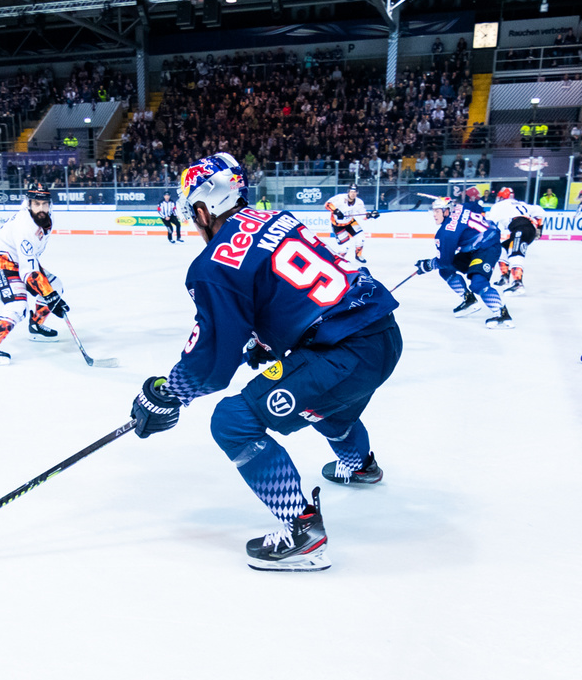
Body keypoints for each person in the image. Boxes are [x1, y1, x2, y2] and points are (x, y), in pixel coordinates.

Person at [128, 153, 402, 572]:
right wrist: (264, 343)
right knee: (325, 405)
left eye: (192, 214)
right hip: (383, 336)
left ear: (202, 210)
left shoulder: (214, 264)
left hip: (344, 355)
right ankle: (359, 465)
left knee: (233, 420)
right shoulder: (278, 219)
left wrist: (171, 393)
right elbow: (289, 296)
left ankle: (302, 531)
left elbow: (211, 358)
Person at [0, 182, 69, 365]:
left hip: (20, 259)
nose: (41, 208)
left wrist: (51, 294)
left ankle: (36, 326)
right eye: (36, 204)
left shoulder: (47, 218)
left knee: (54, 285)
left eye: (44, 204)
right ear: (28, 204)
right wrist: (50, 297)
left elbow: (30, 262)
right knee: (17, 305)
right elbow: (29, 271)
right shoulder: (24, 225)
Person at [414, 197, 513, 328]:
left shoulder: (446, 233)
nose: (434, 215)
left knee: (478, 283)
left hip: (487, 247)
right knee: (446, 271)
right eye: (434, 211)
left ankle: (502, 313)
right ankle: (469, 299)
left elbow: (444, 261)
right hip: (478, 245)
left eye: (437, 211)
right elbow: (476, 206)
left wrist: (427, 265)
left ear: (446, 211)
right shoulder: (461, 207)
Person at [488, 187, 545, 295]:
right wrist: (539, 228)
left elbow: (490, 223)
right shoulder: (520, 203)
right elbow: (540, 211)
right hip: (527, 228)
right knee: (502, 248)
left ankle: (518, 283)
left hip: (520, 228)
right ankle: (505, 277)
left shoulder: (498, 206)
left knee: (515, 253)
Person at [324, 184, 379, 265]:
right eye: (351, 191)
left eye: (355, 192)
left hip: (350, 222)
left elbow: (363, 215)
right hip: (338, 225)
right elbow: (327, 204)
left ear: (357, 193)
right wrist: (336, 211)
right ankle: (339, 260)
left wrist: (370, 215)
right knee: (346, 245)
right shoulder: (340, 198)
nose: (353, 193)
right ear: (348, 192)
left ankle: (358, 255)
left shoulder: (359, 202)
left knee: (361, 237)